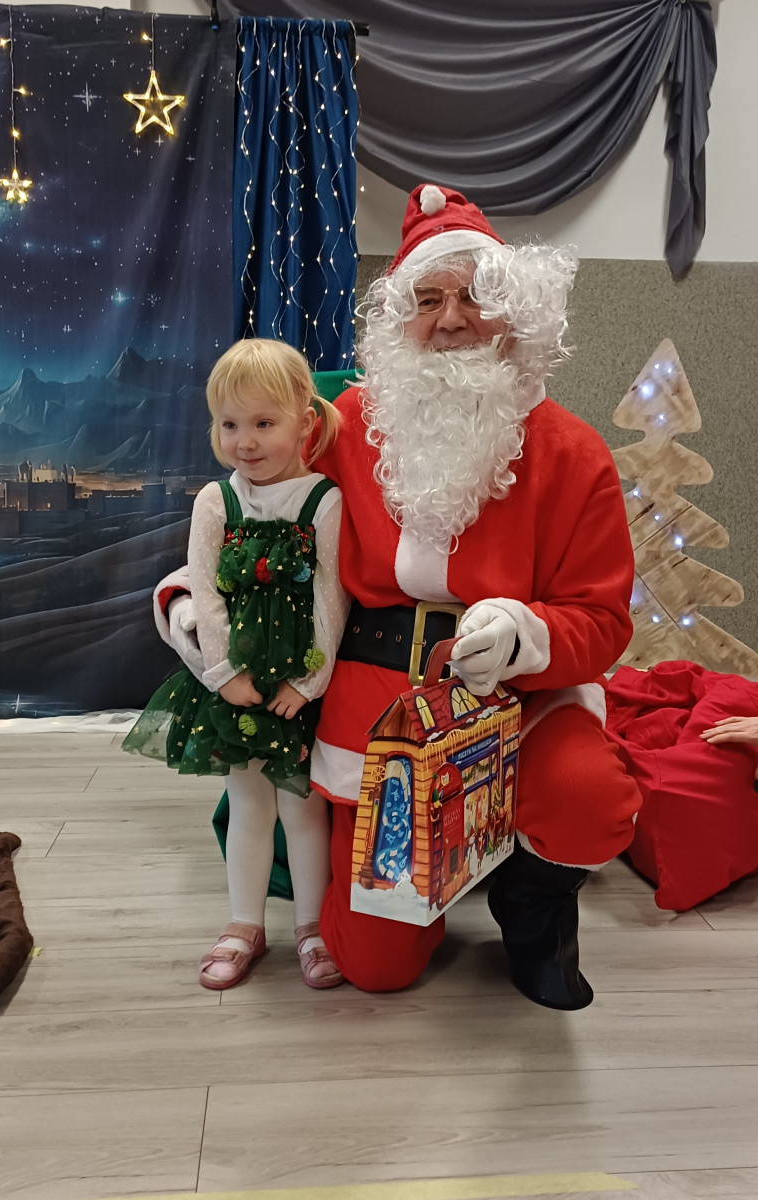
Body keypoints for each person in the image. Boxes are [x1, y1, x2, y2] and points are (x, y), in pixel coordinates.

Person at [157, 185, 642, 1010]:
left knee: (591, 799)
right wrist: (184, 601)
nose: (451, 320)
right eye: (427, 300)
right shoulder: (345, 423)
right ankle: (446, 873)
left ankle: (531, 906)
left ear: (515, 313)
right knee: (374, 966)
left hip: (515, 703)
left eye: (476, 297)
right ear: (398, 320)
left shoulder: (573, 452)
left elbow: (601, 621)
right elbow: (251, 511)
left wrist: (524, 631)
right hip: (377, 707)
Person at [126, 339, 351, 991]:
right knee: (249, 804)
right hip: (237, 687)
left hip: (300, 691)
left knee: (303, 810)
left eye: (263, 423)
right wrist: (226, 675)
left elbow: (330, 601)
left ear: (305, 422)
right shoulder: (214, 502)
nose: (244, 441)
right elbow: (205, 595)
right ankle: (243, 925)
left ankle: (310, 927)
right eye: (229, 424)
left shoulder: (323, 502)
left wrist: (306, 683)